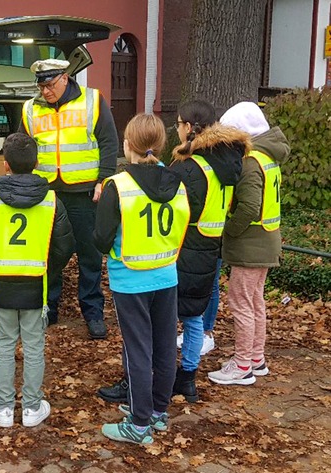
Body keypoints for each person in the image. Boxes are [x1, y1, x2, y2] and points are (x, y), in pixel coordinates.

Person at [94, 114, 190, 445]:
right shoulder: (178, 181)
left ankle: (138, 423)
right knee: (164, 346)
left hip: (130, 278)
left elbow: (101, 239)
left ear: (127, 145)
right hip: (166, 273)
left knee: (138, 349)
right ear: (162, 145)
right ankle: (158, 411)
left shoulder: (117, 186)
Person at [0, 133, 75, 428]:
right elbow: (64, 246)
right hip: (36, 287)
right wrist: (46, 270)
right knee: (34, 345)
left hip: (2, 285)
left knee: (4, 345)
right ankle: (30, 407)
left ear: (5, 165)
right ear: (37, 163)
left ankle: (3, 408)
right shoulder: (52, 200)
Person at [20, 58, 119, 339]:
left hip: (84, 193)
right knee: (50, 253)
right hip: (47, 193)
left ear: (65, 78)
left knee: (89, 255)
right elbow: (23, 145)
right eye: (41, 86)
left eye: (50, 84)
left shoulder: (92, 101)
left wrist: (104, 179)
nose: (45, 91)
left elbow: (109, 142)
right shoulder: (30, 108)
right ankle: (49, 309)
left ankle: (92, 312)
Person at [168, 100, 246, 401]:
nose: (176, 129)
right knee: (194, 318)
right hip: (210, 247)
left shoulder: (188, 167)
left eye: (178, 123)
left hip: (182, 249)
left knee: (164, 316)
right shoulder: (227, 163)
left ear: (189, 127)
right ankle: (187, 378)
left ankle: (156, 374)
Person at [208, 102, 290, 386]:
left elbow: (248, 208)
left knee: (241, 303)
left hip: (250, 245)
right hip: (266, 241)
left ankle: (242, 365)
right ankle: (256, 359)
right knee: (255, 302)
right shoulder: (268, 158)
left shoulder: (251, 162)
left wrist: (227, 231)